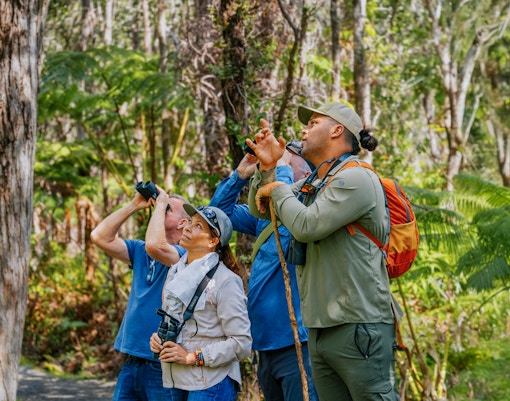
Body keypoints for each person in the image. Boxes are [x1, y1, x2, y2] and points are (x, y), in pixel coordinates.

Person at [247, 102, 400, 401]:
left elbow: (306, 225)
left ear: (337, 130)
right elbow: (261, 210)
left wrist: (277, 186)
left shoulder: (356, 177)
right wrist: (267, 169)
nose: (304, 130)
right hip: (318, 326)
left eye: (314, 123)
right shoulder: (314, 183)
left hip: (359, 324)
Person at [209, 144, 318, 401]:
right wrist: (241, 175)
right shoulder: (263, 218)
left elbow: (291, 208)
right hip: (265, 345)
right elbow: (216, 218)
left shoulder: (310, 209)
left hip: (298, 343)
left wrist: (280, 167)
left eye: (286, 163)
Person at [145, 189, 252, 401]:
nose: (187, 227)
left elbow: (241, 343)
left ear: (213, 241)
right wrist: (158, 340)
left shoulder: (226, 281)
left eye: (198, 226)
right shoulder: (176, 272)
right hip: (176, 379)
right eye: (189, 222)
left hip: (211, 383)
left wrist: (191, 357)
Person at [90, 190, 190, 401]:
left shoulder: (184, 256)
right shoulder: (140, 250)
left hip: (163, 364)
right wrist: (134, 205)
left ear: (182, 223)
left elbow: (157, 247)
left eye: (168, 209)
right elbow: (99, 236)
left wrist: (161, 201)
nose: (160, 208)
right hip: (132, 361)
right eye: (161, 206)